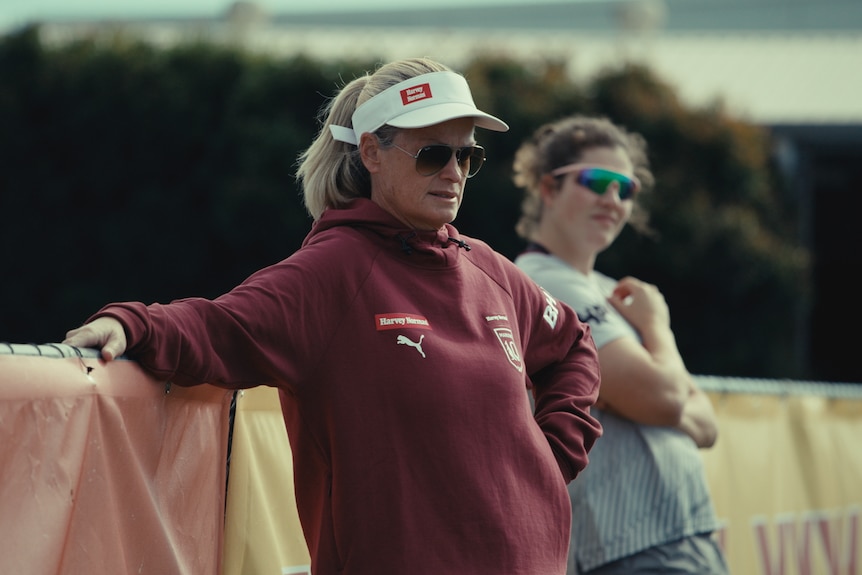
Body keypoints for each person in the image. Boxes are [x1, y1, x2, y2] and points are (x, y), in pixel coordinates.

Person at [63, 58, 603, 575]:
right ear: (371, 152)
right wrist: (131, 324)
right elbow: (217, 326)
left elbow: (574, 344)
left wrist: (551, 463)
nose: (454, 172)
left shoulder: (488, 267)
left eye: (468, 157)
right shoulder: (333, 272)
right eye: (433, 154)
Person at [512, 115, 729, 575]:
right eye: (597, 181)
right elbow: (668, 396)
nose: (613, 199)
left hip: (680, 536)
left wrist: (652, 398)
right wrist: (659, 329)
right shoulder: (542, 281)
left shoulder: (608, 289)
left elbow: (706, 423)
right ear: (548, 188)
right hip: (626, 548)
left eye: (625, 189)